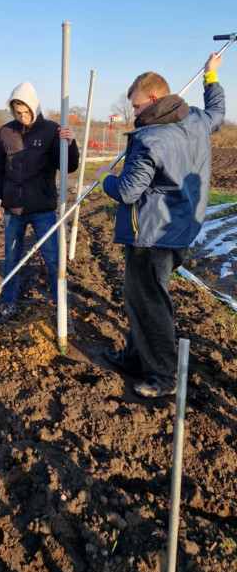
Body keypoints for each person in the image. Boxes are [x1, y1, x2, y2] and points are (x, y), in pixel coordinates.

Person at [95, 52, 225, 398]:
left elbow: (126, 191)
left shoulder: (151, 139)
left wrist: (105, 177)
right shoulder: (196, 119)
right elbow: (218, 113)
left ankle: (163, 377)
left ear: (154, 100)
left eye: (136, 107)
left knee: (150, 304)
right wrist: (211, 76)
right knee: (145, 298)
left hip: (150, 235)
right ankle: (134, 357)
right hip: (182, 229)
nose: (133, 114)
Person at [0, 81, 79, 328]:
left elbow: (69, 167)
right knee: (11, 259)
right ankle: (8, 303)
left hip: (43, 209)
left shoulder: (52, 131)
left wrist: (70, 144)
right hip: (13, 208)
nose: (23, 116)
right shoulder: (5, 133)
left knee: (52, 260)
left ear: (35, 107)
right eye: (17, 112)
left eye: (26, 111)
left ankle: (62, 309)